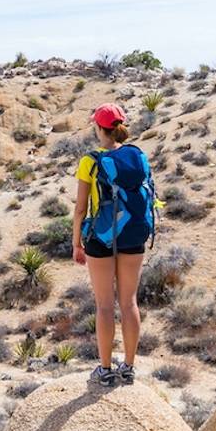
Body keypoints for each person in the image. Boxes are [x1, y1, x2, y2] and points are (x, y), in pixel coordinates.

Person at [71, 103, 157, 386]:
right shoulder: (137, 156)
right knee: (129, 301)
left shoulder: (90, 161)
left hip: (101, 237)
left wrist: (76, 243)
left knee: (105, 305)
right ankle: (129, 367)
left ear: (99, 128)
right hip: (133, 234)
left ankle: (106, 370)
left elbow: (80, 209)